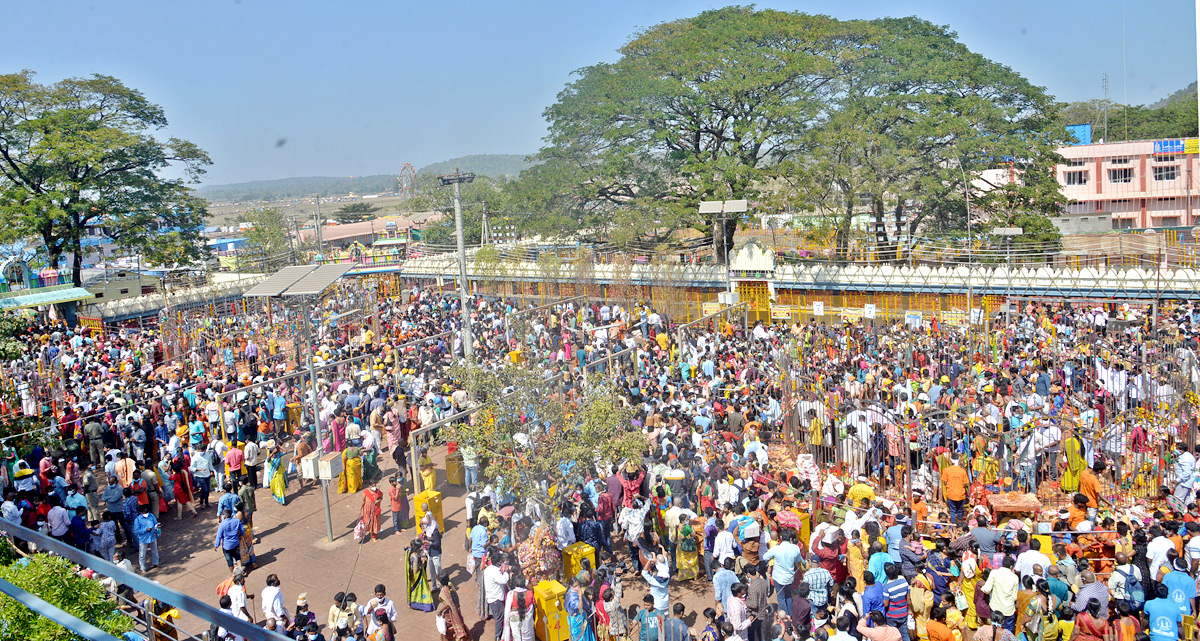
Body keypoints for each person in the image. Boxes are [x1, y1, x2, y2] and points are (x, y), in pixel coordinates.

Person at [485, 551, 513, 641]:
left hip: (492, 596)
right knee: (499, 619)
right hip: (496, 599)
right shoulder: (495, 572)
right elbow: (504, 580)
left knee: (499, 617)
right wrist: (506, 571)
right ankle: (498, 636)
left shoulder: (489, 569)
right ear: (498, 562)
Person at [438, 571, 472, 641]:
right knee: (459, 623)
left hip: (449, 613)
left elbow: (447, 604)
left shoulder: (443, 592)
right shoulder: (450, 586)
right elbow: (455, 597)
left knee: (449, 628)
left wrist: (440, 611)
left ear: (440, 582)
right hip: (456, 609)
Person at [403, 539, 434, 611]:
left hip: (411, 575)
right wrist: (423, 562)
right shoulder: (415, 558)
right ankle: (420, 604)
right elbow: (416, 570)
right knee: (419, 589)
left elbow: (406, 547)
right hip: (417, 577)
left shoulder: (409, 551)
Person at [502, 574, 535, 641]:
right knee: (528, 635)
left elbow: (508, 610)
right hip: (527, 621)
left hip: (515, 621)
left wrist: (515, 609)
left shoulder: (511, 594)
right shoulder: (530, 593)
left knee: (517, 637)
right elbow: (534, 605)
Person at [132, 504, 160, 572]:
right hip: (143, 539)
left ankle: (156, 563)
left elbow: (155, 523)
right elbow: (137, 530)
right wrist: (145, 530)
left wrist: (156, 527)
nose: (146, 513)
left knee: (155, 551)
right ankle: (142, 567)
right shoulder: (138, 520)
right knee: (142, 554)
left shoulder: (151, 516)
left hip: (152, 536)